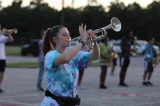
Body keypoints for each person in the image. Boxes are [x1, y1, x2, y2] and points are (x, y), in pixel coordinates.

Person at [40, 24, 100, 106]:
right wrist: (82, 42)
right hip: (53, 103)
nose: (68, 37)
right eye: (64, 35)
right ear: (55, 40)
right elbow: (66, 58)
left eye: (69, 34)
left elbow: (95, 56)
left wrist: (94, 41)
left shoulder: (73, 53)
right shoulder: (50, 55)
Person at [0, 25, 14, 93]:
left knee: (2, 74)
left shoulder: (2, 36)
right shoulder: (1, 36)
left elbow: (11, 40)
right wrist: (2, 32)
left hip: (2, 58)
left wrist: (8, 34)